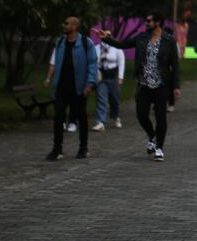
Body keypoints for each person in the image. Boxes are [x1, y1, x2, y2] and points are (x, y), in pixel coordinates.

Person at [104, 14, 181, 162]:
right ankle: (152, 136)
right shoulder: (142, 38)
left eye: (149, 21)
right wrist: (106, 39)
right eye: (146, 20)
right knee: (141, 115)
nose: (146, 23)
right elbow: (123, 45)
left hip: (161, 86)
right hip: (144, 84)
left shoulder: (169, 40)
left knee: (160, 117)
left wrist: (176, 87)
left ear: (158, 22)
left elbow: (175, 65)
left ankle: (159, 148)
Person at [43, 17, 99, 160]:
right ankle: (57, 149)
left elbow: (93, 64)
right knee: (58, 117)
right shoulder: (61, 42)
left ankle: (83, 148)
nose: (64, 25)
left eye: (66, 23)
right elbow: (55, 62)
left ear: (74, 26)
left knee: (81, 117)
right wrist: (51, 80)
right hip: (62, 86)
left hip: (79, 87)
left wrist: (90, 83)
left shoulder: (87, 43)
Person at [92, 30, 125, 131]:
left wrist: (120, 77)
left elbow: (121, 62)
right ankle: (100, 122)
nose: (106, 37)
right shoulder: (96, 48)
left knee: (114, 100)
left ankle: (115, 116)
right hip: (102, 77)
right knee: (101, 99)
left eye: (109, 35)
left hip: (113, 77)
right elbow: (94, 62)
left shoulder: (116, 48)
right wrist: (97, 73)